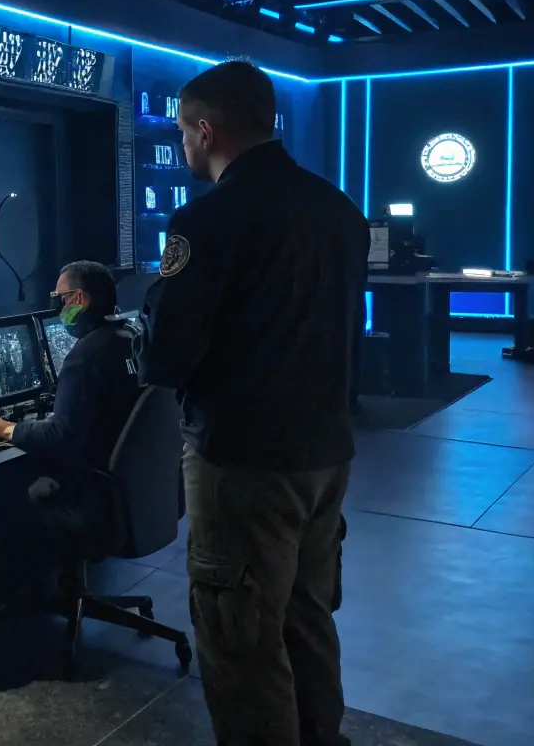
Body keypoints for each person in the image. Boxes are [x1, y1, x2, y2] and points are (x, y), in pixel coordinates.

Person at [142, 60, 367, 746]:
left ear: (205, 130)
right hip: (325, 455)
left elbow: (165, 360)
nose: (182, 148)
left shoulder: (206, 220)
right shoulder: (337, 209)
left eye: (182, 133)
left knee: (238, 638)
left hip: (241, 464)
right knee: (304, 618)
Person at [0, 261, 140, 540]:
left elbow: (60, 434)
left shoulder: (85, 357)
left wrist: (6, 428)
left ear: (79, 298)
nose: (59, 307)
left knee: (0, 500)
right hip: (131, 484)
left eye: (61, 299)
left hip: (93, 488)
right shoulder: (130, 337)